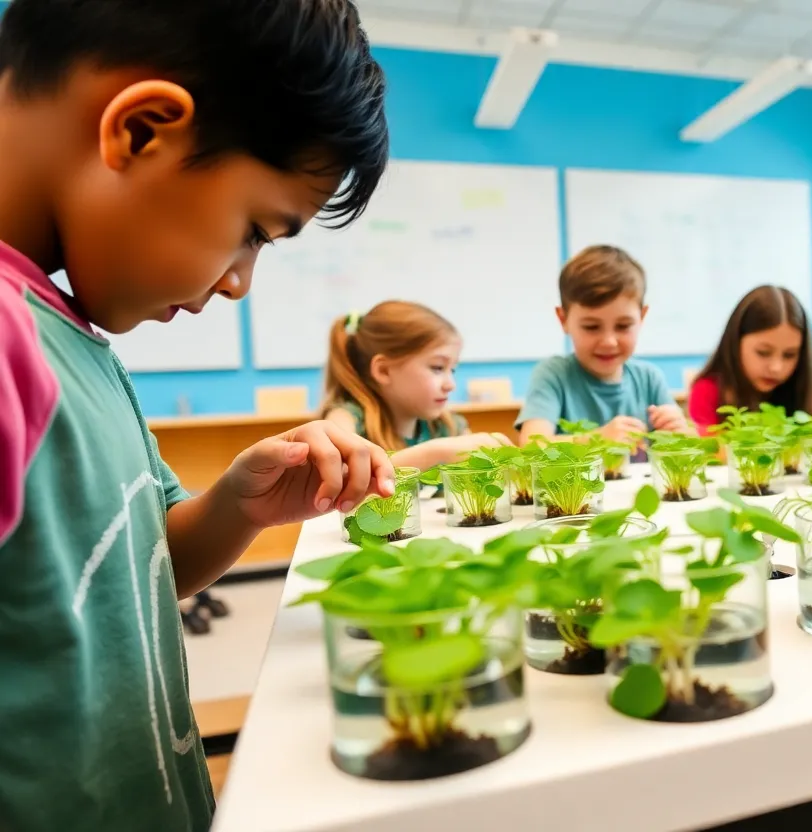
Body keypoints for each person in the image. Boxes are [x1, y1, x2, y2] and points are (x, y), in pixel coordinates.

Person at [0, 1, 393, 828]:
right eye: (254, 230)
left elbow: (128, 575)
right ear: (142, 130)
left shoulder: (68, 335)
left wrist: (238, 507)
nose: (239, 280)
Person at [516, 245, 691, 446]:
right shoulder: (553, 375)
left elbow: (684, 445)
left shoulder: (649, 378)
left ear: (642, 317)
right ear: (563, 319)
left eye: (623, 326)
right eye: (591, 327)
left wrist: (680, 430)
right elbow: (531, 446)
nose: (609, 341)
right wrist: (597, 440)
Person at [322, 301, 513, 468]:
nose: (451, 385)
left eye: (452, 370)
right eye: (438, 368)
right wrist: (436, 452)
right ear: (384, 371)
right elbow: (343, 476)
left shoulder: (448, 425)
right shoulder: (345, 419)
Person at [688, 285, 812, 436]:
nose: (776, 367)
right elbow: (709, 450)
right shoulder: (708, 391)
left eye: (789, 355)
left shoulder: (805, 396)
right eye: (763, 353)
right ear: (736, 342)